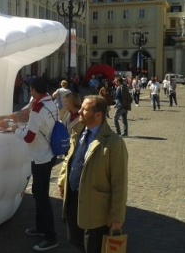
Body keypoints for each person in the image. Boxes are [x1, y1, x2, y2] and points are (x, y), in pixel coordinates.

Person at [57, 95, 128, 253]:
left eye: (85, 109)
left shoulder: (114, 143)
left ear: (98, 115)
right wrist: (62, 181)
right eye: (81, 107)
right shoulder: (79, 132)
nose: (80, 112)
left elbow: (120, 182)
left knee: (92, 247)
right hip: (73, 200)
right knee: (73, 239)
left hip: (96, 207)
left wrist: (117, 217)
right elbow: (69, 159)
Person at [11, 77, 58, 251]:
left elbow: (29, 137)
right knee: (39, 194)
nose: (29, 92)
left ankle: (50, 236)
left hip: (40, 157)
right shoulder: (50, 102)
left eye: (30, 90)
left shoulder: (37, 108)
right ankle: (41, 228)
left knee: (42, 197)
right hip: (47, 153)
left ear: (33, 90)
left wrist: (16, 130)